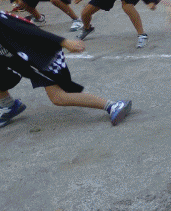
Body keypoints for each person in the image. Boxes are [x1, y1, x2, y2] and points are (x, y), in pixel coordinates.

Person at [0, 11, 131, 128]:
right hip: (27, 60)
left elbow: (28, 29)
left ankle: (113, 106)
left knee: (59, 98)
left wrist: (63, 41)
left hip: (41, 57)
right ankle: (8, 106)